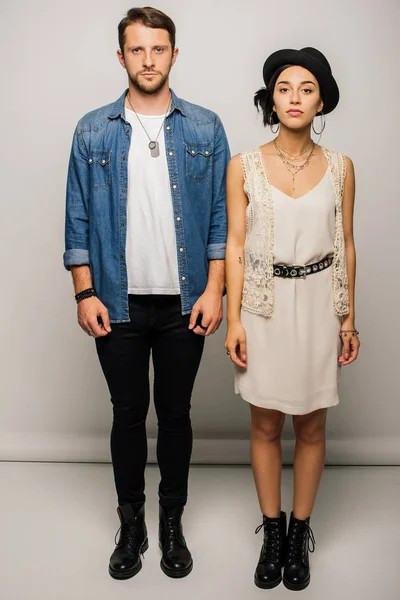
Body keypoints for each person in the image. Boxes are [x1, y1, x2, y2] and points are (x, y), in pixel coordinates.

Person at [63, 6, 229, 580]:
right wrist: (85, 293)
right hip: (117, 300)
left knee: (177, 415)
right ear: (121, 57)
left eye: (159, 49)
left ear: (174, 55)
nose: (149, 59)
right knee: (128, 414)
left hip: (187, 303)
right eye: (138, 50)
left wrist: (215, 290)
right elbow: (78, 218)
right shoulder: (92, 129)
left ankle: (172, 521)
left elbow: (220, 224)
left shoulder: (206, 127)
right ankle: (130, 523)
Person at [224, 47, 360, 591]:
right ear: (271, 97)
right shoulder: (244, 165)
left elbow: (347, 244)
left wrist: (348, 320)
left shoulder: (344, 167)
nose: (295, 97)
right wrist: (234, 319)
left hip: (320, 305)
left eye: (306, 88)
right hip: (263, 305)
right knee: (264, 424)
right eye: (284, 88)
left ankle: (301, 531)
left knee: (311, 424)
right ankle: (273, 531)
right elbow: (234, 244)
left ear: (321, 98)